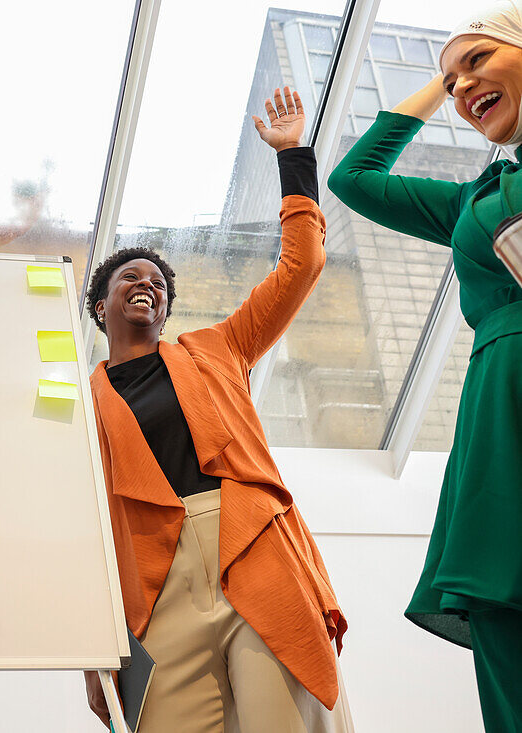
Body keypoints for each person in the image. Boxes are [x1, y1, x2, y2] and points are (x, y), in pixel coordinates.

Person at [83, 88, 352, 733]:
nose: (146, 283)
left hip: (250, 543)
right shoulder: (77, 407)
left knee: (284, 719)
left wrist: (292, 161)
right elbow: (81, 529)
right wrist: (91, 649)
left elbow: (301, 266)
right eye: (129, 277)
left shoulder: (219, 349)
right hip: (153, 582)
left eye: (157, 281)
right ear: (101, 308)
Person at [327, 2, 522, 729]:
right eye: (451, 78)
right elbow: (355, 177)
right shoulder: (475, 200)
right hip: (498, 407)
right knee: (504, 611)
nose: (463, 85)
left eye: (478, 60)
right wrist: (441, 92)